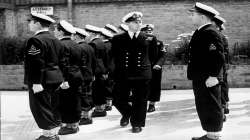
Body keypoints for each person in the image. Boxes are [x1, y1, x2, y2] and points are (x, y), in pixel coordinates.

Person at [111, 11, 158, 133]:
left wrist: (146, 69)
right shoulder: (118, 38)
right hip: (124, 74)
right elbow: (114, 57)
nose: (138, 24)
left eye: (140, 22)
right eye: (135, 22)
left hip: (142, 74)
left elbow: (153, 57)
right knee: (117, 99)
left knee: (140, 100)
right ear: (128, 24)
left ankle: (137, 123)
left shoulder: (149, 38)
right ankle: (128, 113)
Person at [24, 13, 67, 140]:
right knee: (52, 107)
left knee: (41, 108)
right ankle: (53, 134)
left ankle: (49, 136)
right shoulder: (55, 40)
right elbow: (63, 62)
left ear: (37, 23)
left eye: (30, 22)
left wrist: (36, 82)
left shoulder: (35, 40)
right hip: (55, 79)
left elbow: (36, 62)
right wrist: (62, 79)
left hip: (41, 81)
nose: (29, 24)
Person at [187, 2, 225, 140]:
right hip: (201, 76)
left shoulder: (210, 32)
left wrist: (214, 76)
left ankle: (214, 136)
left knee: (211, 106)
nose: (190, 17)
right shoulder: (201, 31)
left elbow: (218, 56)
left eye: (193, 15)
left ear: (202, 17)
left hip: (208, 77)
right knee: (204, 106)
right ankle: (210, 134)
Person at [54, 20, 86, 135]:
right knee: (75, 100)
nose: (54, 32)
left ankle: (70, 126)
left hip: (67, 78)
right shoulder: (76, 44)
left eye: (56, 30)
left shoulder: (60, 45)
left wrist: (64, 80)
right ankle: (74, 124)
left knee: (66, 102)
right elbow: (82, 63)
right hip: (77, 76)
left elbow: (64, 64)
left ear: (61, 32)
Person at [141, 24, 167, 113]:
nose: (148, 34)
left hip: (155, 67)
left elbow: (162, 56)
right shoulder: (139, 42)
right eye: (146, 32)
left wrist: (159, 64)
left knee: (154, 86)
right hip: (143, 68)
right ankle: (142, 104)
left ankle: (152, 104)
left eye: (150, 32)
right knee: (142, 86)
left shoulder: (159, 43)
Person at [73, 27, 96, 125]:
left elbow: (78, 64)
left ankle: (86, 117)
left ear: (77, 36)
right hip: (89, 74)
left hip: (82, 75)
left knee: (83, 97)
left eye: (74, 36)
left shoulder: (78, 47)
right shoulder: (89, 47)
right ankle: (87, 115)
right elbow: (94, 62)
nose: (73, 38)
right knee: (87, 95)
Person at [85, 24, 109, 117]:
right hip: (102, 69)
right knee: (101, 89)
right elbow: (106, 58)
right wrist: (106, 70)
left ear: (91, 33)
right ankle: (101, 108)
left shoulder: (93, 44)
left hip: (96, 70)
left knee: (97, 90)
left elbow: (92, 59)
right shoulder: (102, 42)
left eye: (87, 33)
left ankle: (99, 110)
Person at [212, 15, 230, 118]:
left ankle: (222, 113)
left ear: (217, 25)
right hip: (222, 66)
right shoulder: (219, 35)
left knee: (221, 87)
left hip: (220, 66)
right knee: (223, 86)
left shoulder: (219, 36)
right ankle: (225, 107)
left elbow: (222, 55)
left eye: (212, 23)